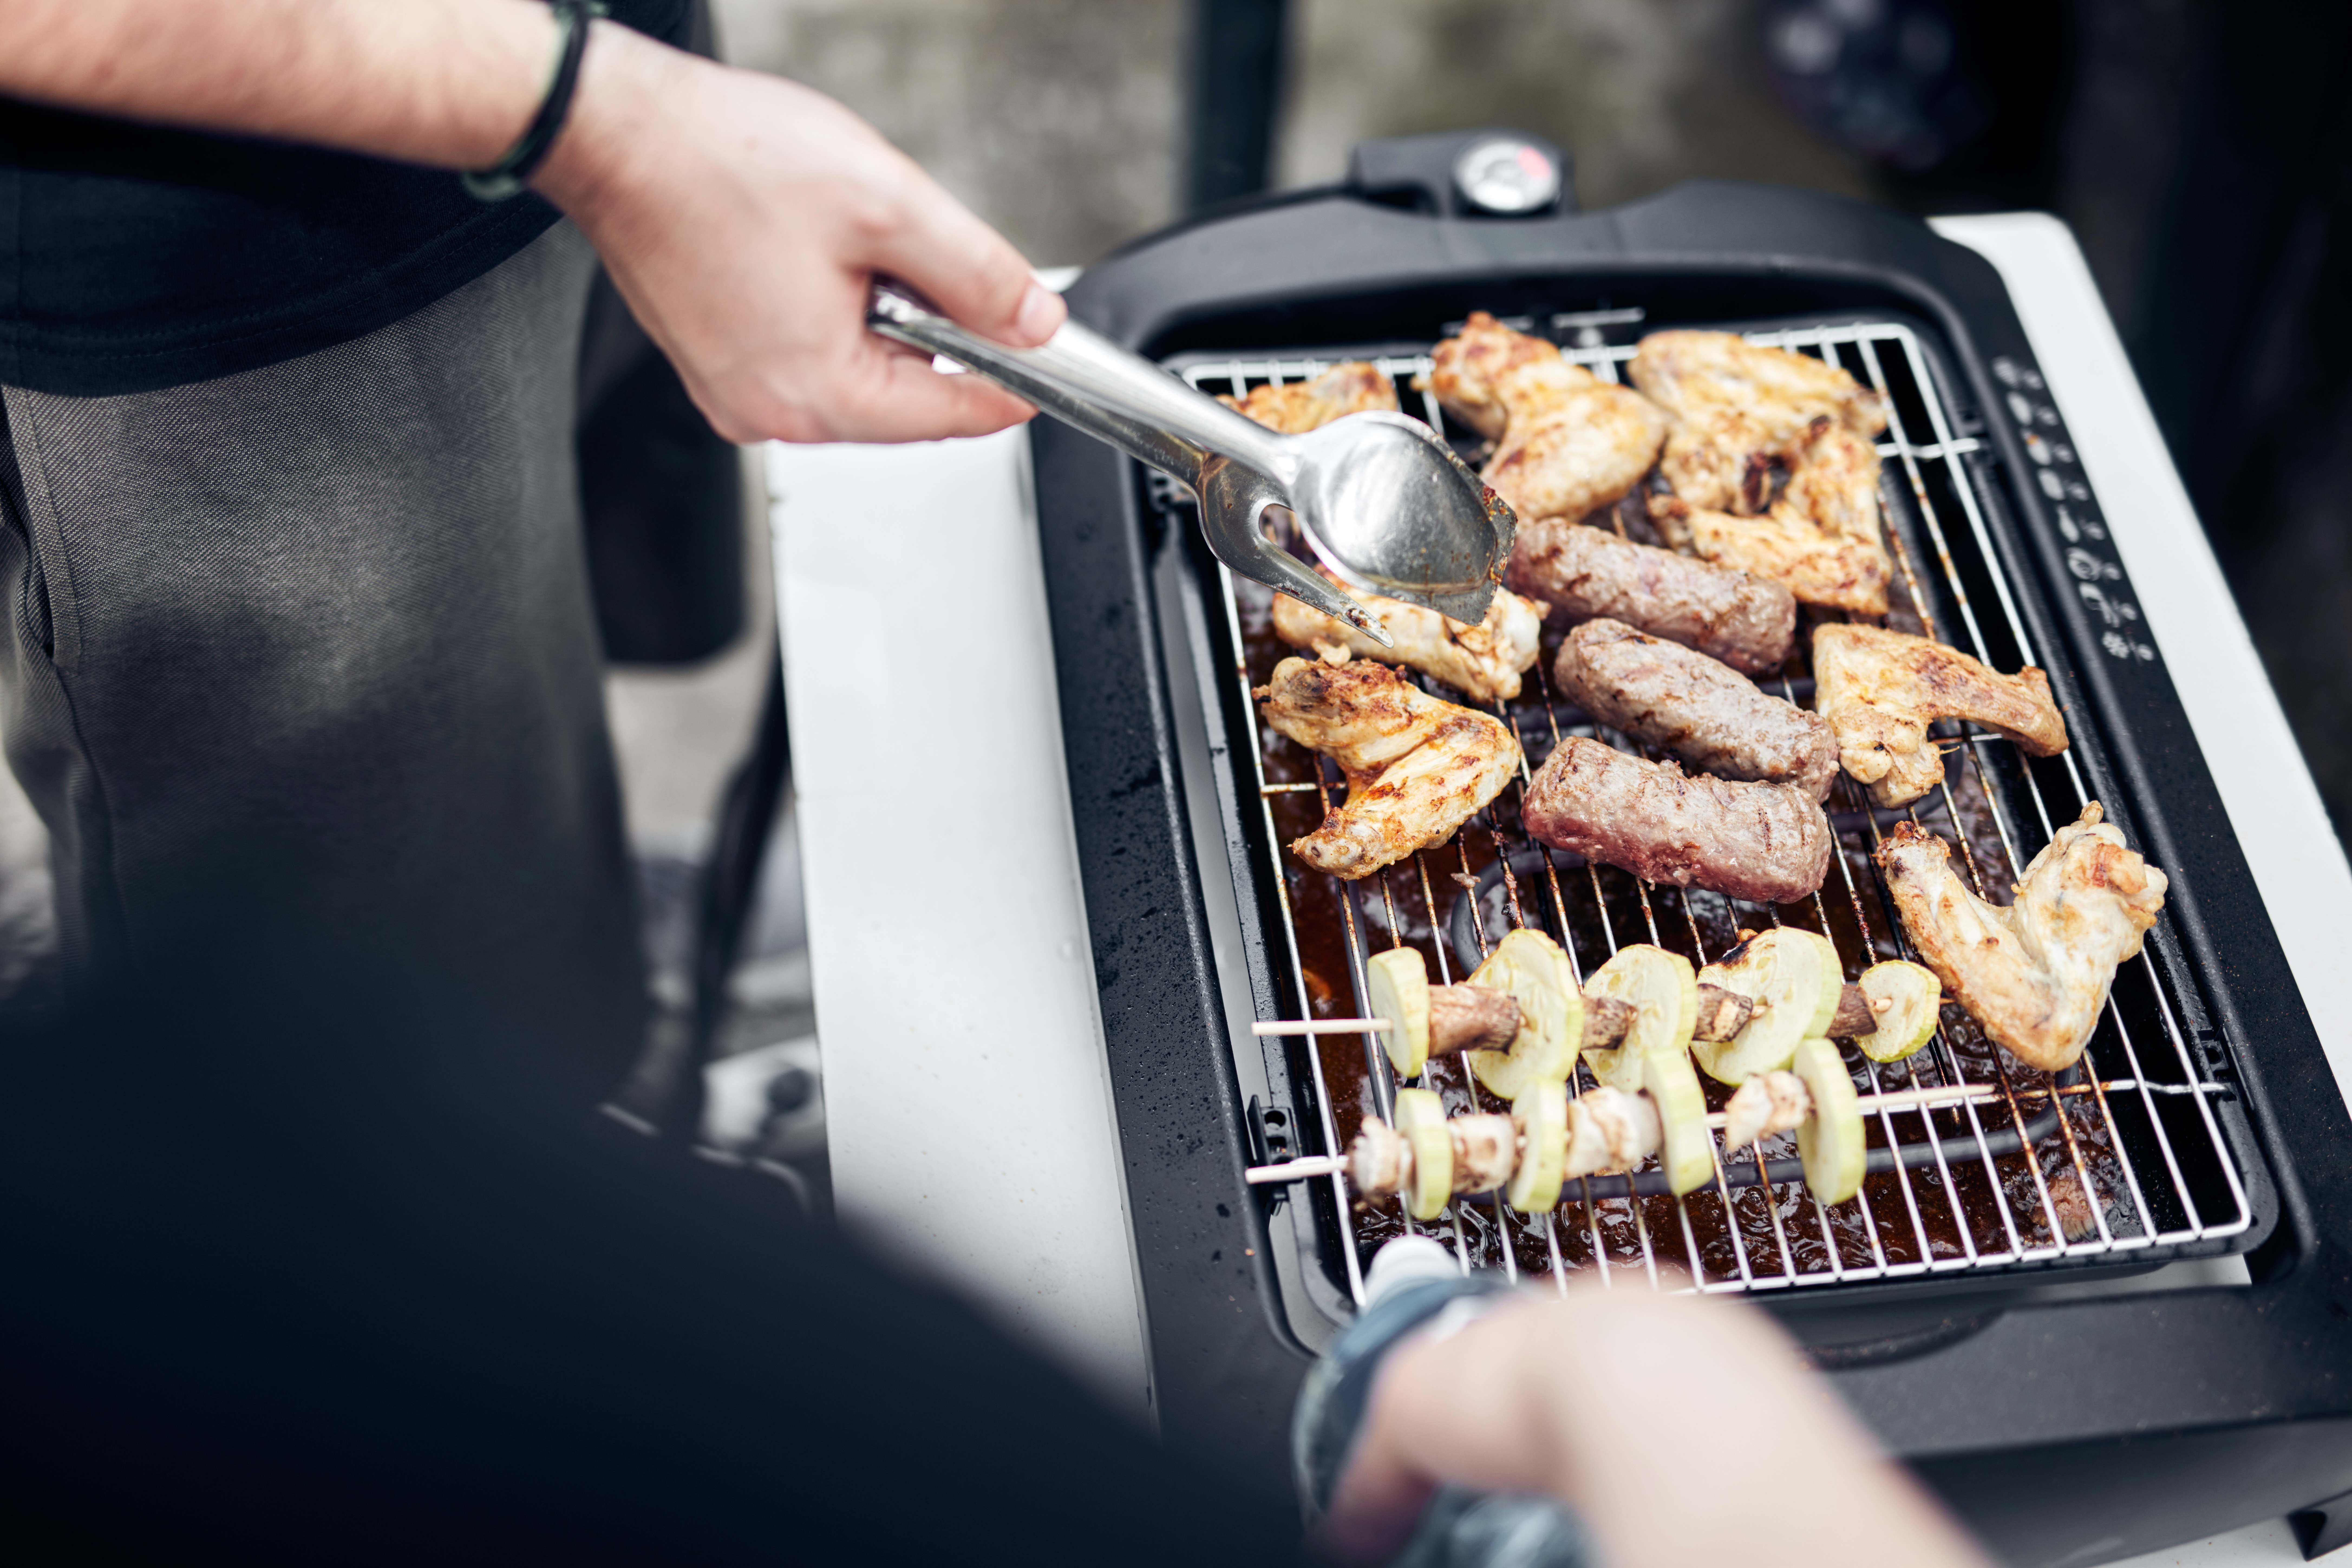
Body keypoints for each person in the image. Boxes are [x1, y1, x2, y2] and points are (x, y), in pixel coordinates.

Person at [0, 6, 1996, 1564]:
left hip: (531, 101)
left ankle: (616, 931)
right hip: (193, 233)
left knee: (544, 623)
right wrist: (583, 112)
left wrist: (599, 112)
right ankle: (572, 1099)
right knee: (363, 956)